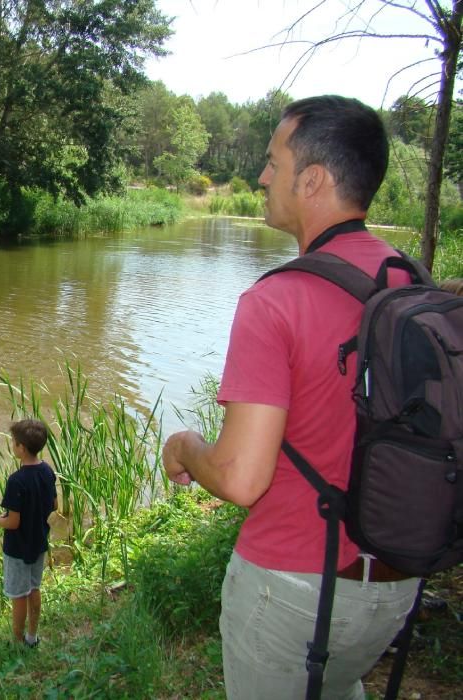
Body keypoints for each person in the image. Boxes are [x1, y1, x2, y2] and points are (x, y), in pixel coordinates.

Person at [162, 95, 421, 699]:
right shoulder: (411, 280)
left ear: (313, 180)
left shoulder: (274, 301)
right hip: (395, 583)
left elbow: (240, 478)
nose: (261, 176)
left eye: (273, 162)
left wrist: (185, 446)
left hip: (296, 592)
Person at [0, 418, 57, 648]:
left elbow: (13, 522)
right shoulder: (47, 471)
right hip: (39, 542)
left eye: (13, 442)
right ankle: (32, 636)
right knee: (34, 589)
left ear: (21, 448)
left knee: (18, 595)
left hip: (18, 548)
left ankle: (17, 641)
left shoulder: (16, 481)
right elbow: (55, 505)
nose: (12, 445)